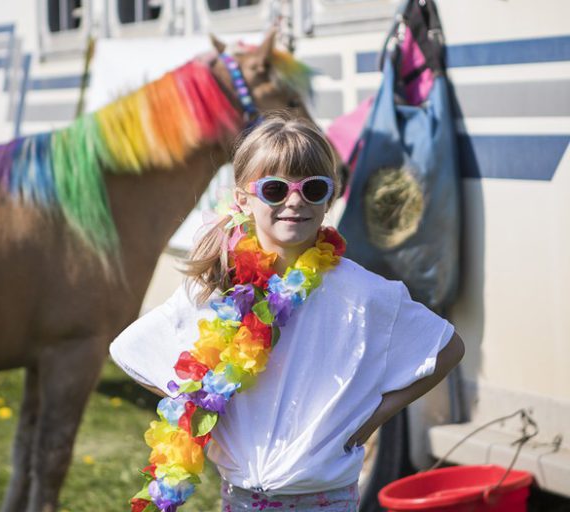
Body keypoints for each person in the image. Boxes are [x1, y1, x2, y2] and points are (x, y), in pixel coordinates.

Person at [109, 115, 465, 511]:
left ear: (330, 198)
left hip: (325, 498)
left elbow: (447, 348)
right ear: (243, 198)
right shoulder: (218, 286)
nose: (295, 201)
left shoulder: (363, 292)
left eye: (313, 189)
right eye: (275, 189)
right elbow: (130, 349)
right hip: (242, 497)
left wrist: (372, 417)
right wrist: (201, 402)